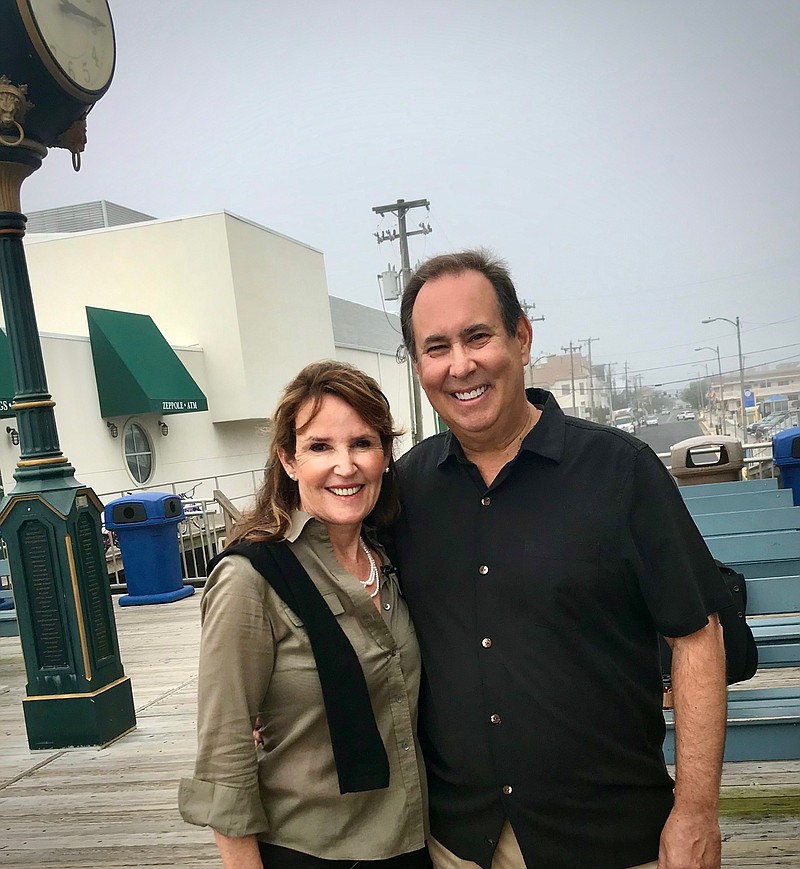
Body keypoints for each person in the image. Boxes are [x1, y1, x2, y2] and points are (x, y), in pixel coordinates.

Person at [391, 250, 729, 869]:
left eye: (477, 337)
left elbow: (697, 636)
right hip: (458, 843)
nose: (460, 365)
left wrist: (696, 809)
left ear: (521, 338)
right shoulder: (407, 490)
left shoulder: (620, 472)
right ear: (418, 366)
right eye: (436, 347)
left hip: (611, 839)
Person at [179, 360, 429, 869]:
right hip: (309, 851)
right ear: (289, 461)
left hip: (412, 843)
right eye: (320, 447)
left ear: (384, 455)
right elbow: (225, 759)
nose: (345, 465)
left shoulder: (391, 560)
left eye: (362, 443)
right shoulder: (252, 578)